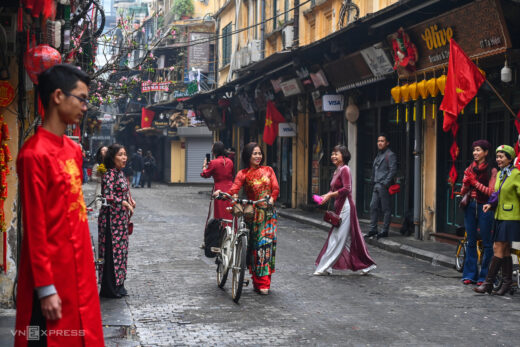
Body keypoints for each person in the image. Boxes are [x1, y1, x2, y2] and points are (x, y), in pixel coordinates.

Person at [15, 64, 104, 346]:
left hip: (80, 270)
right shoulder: (33, 155)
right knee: (44, 338)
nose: (85, 106)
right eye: (81, 98)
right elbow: (35, 227)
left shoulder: (74, 150)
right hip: (50, 276)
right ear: (57, 96)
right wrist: (45, 288)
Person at [214, 142, 279, 295]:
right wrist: (229, 196)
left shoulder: (269, 170)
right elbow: (235, 189)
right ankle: (256, 280)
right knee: (253, 247)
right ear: (248, 156)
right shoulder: (243, 173)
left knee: (265, 247)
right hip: (252, 214)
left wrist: (271, 199)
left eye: (259, 153)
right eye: (254, 154)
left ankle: (263, 282)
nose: (258, 156)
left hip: (268, 216)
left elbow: (275, 188)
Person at [314, 145, 377, 276]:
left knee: (337, 238)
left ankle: (324, 267)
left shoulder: (345, 169)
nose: (333, 156)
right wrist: (325, 197)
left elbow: (347, 189)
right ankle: (366, 265)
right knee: (348, 239)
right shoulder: (337, 171)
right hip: (339, 207)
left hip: (346, 207)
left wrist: (330, 195)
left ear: (344, 156)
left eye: (336, 153)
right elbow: (333, 190)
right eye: (332, 153)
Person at [475, 145, 520, 295]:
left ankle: (488, 283)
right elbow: (497, 193)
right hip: (499, 215)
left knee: (498, 248)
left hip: (511, 217)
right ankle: (506, 283)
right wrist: (490, 204)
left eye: (501, 157)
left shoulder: (516, 174)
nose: (498, 159)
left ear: (510, 158)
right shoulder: (500, 174)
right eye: (497, 157)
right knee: (505, 249)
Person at [98, 144, 136, 298]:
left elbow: (125, 191)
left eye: (125, 154)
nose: (124, 157)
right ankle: (110, 288)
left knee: (121, 252)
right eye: (121, 154)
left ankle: (120, 285)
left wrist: (131, 200)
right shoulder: (108, 174)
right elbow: (107, 196)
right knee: (112, 252)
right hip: (110, 220)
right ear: (113, 157)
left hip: (121, 220)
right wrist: (124, 203)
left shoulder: (121, 174)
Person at [459, 140, 496, 286]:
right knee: (471, 241)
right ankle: (470, 274)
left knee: (487, 242)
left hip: (485, 207)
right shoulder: (470, 167)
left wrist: (474, 182)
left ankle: (485, 276)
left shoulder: (491, 170)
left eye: (478, 150)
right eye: (474, 150)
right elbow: (463, 191)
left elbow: (491, 192)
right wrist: (466, 183)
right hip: (470, 206)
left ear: (486, 152)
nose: (475, 153)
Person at [366, 133, 397, 239]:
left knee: (386, 209)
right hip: (376, 184)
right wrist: (372, 180)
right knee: (373, 206)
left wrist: (385, 183)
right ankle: (373, 229)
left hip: (383, 185)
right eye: (378, 141)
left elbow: (393, 170)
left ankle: (384, 231)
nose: (379, 143)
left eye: (382, 141)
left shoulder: (390, 154)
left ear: (387, 143)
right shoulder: (378, 155)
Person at [201, 141, 234, 220]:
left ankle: (220, 229)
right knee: (230, 211)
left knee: (220, 212)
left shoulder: (213, 162)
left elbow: (205, 174)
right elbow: (233, 174)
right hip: (230, 188)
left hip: (219, 189)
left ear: (215, 151)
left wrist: (204, 166)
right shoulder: (230, 161)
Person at [92, 145, 108, 210]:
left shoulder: (112, 164)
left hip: (110, 188)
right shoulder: (97, 165)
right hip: (100, 186)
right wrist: (100, 178)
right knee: (99, 204)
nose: (104, 152)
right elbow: (93, 177)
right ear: (100, 152)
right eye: (102, 150)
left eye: (106, 150)